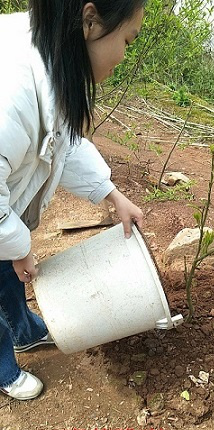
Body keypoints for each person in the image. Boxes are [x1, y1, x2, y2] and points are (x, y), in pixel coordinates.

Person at [0, 1, 145, 401]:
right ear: (90, 20)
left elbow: (61, 142)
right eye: (127, 40)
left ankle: (24, 331)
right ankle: (4, 369)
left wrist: (111, 194)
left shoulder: (49, 59)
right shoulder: (10, 93)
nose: (123, 55)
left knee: (7, 275)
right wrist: (19, 246)